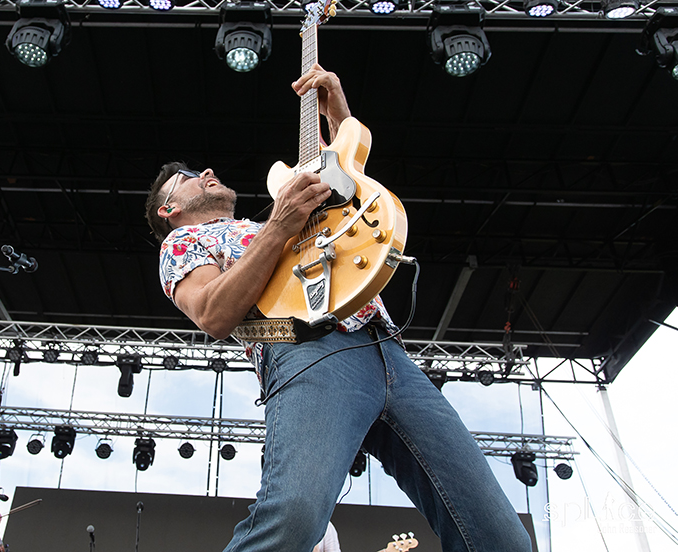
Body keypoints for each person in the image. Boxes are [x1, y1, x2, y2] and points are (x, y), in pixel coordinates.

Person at [144, 64, 532, 552]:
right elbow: (213, 316)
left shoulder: (283, 207)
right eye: (187, 178)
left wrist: (338, 114)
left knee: (499, 537)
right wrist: (280, 226)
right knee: (293, 522)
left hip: (389, 352)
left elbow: (349, 184)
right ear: (168, 209)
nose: (205, 173)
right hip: (309, 354)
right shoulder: (184, 241)